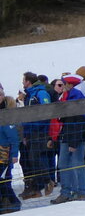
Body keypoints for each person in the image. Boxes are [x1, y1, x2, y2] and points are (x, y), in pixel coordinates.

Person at [51, 74, 85, 203]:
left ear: (70, 85)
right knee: (63, 164)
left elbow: (78, 122)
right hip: (67, 135)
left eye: (63, 84)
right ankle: (66, 192)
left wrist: (74, 142)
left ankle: (82, 192)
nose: (61, 87)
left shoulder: (76, 100)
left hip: (75, 138)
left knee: (77, 163)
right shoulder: (65, 98)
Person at [17, 72, 53, 200]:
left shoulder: (41, 93)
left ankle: (47, 181)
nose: (22, 83)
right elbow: (26, 115)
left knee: (35, 157)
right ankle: (39, 186)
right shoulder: (29, 94)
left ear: (28, 81)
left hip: (40, 131)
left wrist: (38, 127)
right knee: (31, 159)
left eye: (24, 80)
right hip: (30, 132)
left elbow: (46, 111)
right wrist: (26, 134)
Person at [0, 91, 21, 213]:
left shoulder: (6, 116)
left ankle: (13, 203)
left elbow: (13, 138)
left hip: (4, 153)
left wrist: (13, 155)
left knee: (4, 181)